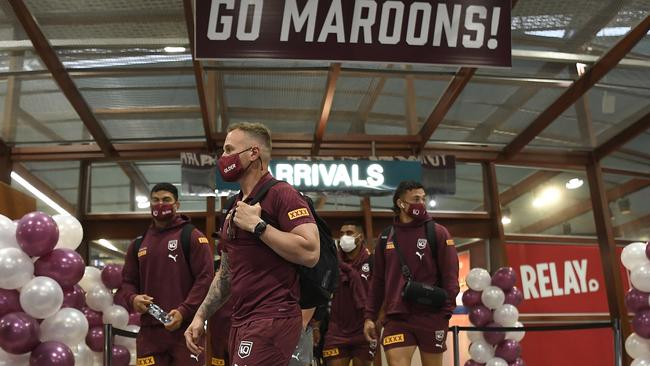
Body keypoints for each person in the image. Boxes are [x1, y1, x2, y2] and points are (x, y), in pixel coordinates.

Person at [184, 122, 320, 366]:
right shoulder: (234, 208)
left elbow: (310, 251)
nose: (223, 157)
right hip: (241, 320)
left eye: (228, 150)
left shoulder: (282, 194)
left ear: (253, 153)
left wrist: (258, 227)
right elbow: (226, 274)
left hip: (272, 317)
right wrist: (200, 315)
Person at [363, 181, 459, 366]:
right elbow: (378, 281)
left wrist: (445, 313)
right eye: (416, 199)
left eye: (423, 199)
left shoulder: (437, 232)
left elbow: (450, 276)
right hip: (397, 317)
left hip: (431, 316)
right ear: (401, 203)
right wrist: (370, 316)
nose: (421, 203)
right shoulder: (386, 237)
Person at [119, 183, 215, 366]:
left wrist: (183, 311)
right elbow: (127, 281)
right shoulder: (138, 244)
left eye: (166, 200)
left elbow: (206, 278)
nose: (160, 204)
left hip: (186, 330)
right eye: (155, 200)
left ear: (177, 205)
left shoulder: (192, 236)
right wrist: (133, 298)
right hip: (150, 335)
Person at [323, 222, 375, 366]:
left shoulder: (372, 261)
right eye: (341, 233)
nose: (344, 237)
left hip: (363, 329)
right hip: (336, 332)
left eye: (349, 233)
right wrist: (316, 325)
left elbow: (381, 295)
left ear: (360, 237)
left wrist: (377, 322)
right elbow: (321, 293)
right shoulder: (332, 264)